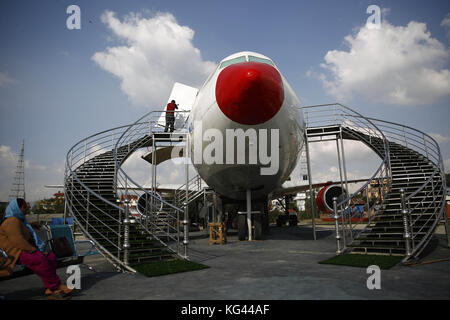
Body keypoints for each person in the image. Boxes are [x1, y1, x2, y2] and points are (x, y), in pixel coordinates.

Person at [0, 198, 73, 300]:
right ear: (17, 209)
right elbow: (18, 241)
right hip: (13, 254)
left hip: (21, 250)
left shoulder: (19, 220)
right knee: (40, 259)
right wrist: (33, 250)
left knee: (50, 257)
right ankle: (55, 287)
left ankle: (50, 288)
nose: (27, 209)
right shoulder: (11, 221)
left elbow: (22, 229)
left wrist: (31, 225)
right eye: (24, 207)